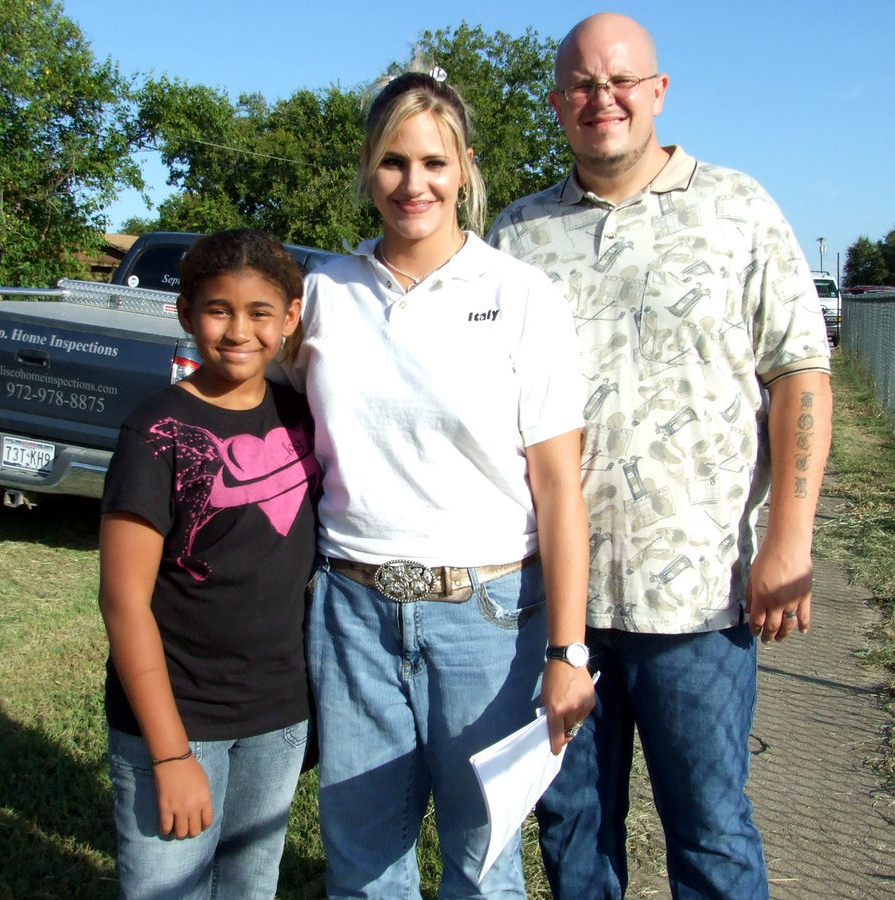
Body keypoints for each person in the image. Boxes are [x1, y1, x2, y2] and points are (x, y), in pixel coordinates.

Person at [488, 12, 833, 900]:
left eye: (621, 81)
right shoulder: (518, 234)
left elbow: (799, 374)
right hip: (553, 603)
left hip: (698, 600)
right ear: (558, 102)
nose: (601, 99)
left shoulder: (738, 208)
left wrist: (789, 538)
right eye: (581, 85)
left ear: (659, 91)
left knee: (710, 830)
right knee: (574, 830)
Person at [288, 70, 597, 898]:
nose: (412, 184)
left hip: (488, 618)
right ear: (367, 167)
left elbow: (559, 488)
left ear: (465, 167)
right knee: (362, 865)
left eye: (433, 162)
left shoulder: (520, 295)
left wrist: (568, 652)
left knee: (482, 862)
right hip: (352, 614)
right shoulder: (321, 294)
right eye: (393, 162)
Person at [98, 229, 318, 899]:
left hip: (279, 715)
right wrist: (170, 753)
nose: (239, 331)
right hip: (178, 717)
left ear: (291, 317)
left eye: (260, 312)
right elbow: (123, 601)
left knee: (251, 885)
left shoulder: (304, 416)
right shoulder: (156, 430)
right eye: (219, 310)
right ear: (186, 313)